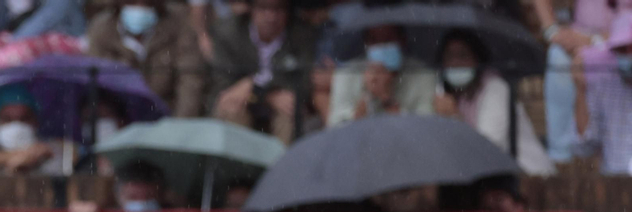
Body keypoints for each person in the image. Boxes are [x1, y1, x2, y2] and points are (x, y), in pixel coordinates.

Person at [433, 29, 554, 176]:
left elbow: (486, 152)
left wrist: (454, 118)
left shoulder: (496, 89)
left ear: (477, 59)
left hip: (529, 177)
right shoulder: (449, 94)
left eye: (462, 55)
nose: (455, 63)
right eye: (449, 57)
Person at [208, 0, 316, 143]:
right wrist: (260, 93)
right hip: (243, 102)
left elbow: (304, 80)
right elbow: (223, 83)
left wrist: (257, 88)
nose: (271, 17)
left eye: (278, 9)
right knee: (231, 107)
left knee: (290, 110)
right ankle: (240, 164)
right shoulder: (229, 32)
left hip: (280, 105)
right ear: (251, 8)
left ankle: (282, 164)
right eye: (263, 8)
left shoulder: (301, 34)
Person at [531, 0, 623, 162]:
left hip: (622, 46)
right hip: (578, 42)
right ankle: (560, 156)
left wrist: (595, 41)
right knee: (558, 58)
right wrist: (552, 31)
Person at [86, 0, 206, 118]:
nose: (140, 8)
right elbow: (94, 83)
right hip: (119, 121)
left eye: (147, 3)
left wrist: (180, 126)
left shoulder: (178, 26)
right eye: (132, 3)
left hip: (167, 118)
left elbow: (190, 80)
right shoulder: (102, 30)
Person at [328, 23, 438, 126]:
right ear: (366, 44)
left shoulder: (423, 74)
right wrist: (367, 95)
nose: (381, 46)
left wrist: (387, 99)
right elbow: (336, 130)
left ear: (402, 41)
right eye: (374, 40)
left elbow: (424, 132)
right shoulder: (347, 74)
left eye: (388, 39)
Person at [574, 11, 632, 174]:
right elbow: (584, 147)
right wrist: (580, 89)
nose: (629, 55)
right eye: (622, 49)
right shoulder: (602, 87)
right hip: (616, 188)